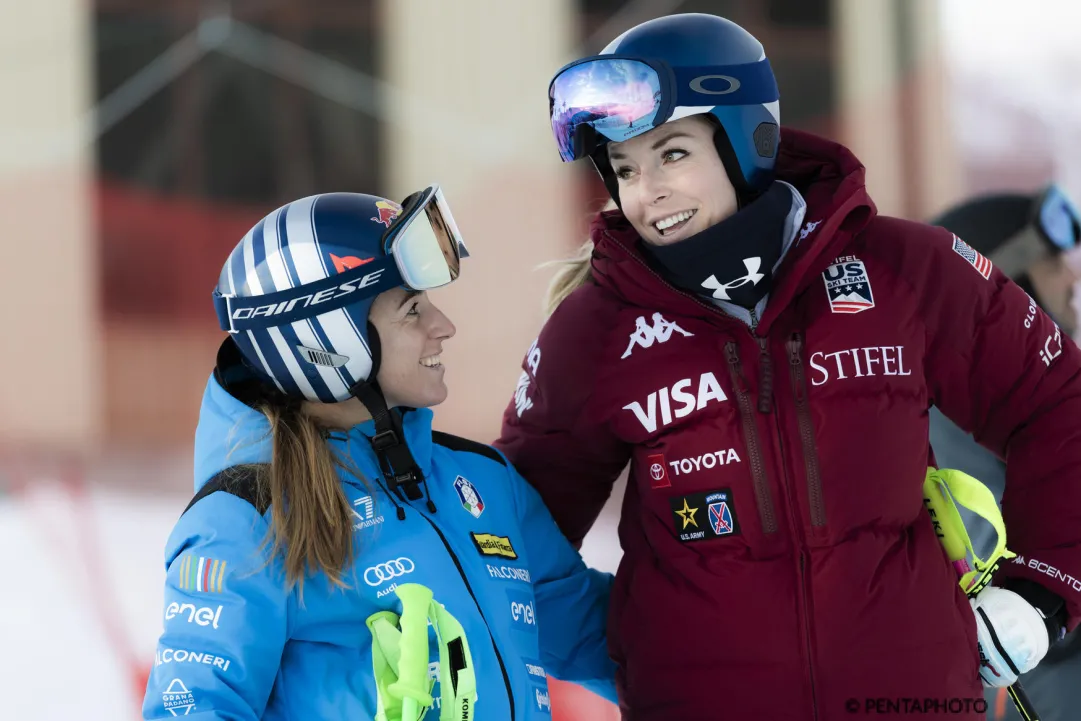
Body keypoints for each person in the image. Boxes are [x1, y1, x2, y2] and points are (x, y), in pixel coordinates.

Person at [494, 13, 1081, 720]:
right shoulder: (595, 329)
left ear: (748, 139)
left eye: (671, 154)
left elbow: (1058, 406)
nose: (645, 190)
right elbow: (513, 537)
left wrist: (1043, 591)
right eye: (623, 168)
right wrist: (629, 644)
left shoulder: (901, 269)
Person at [141, 188, 617, 720]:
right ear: (327, 342)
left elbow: (603, 640)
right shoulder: (245, 519)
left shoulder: (483, 481)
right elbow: (192, 710)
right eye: (412, 310)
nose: (444, 327)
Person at [927, 188, 1081, 721]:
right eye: (1055, 262)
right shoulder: (957, 418)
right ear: (1013, 284)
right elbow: (1000, 572)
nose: (1072, 279)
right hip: (1048, 684)